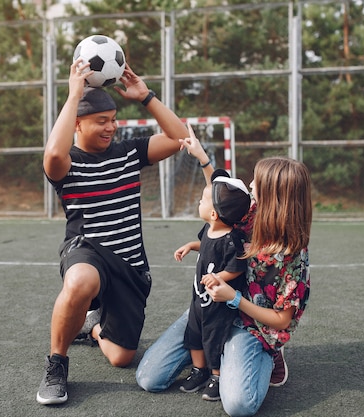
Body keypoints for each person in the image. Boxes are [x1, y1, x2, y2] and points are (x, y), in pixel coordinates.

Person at [37, 59, 189, 405]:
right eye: (102, 121)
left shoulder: (128, 153)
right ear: (77, 123)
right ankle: (56, 365)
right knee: (80, 282)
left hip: (130, 266)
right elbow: (53, 152)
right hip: (88, 250)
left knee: (122, 357)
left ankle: (91, 324)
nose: (112, 128)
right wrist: (74, 94)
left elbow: (182, 138)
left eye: (114, 120)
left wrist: (146, 96)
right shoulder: (67, 164)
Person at [136, 155, 312, 417]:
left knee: (239, 405)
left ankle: (266, 355)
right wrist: (203, 158)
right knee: (149, 378)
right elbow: (220, 198)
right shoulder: (248, 214)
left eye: (257, 183)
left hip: (251, 324)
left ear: (274, 198)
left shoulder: (292, 256)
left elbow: (282, 320)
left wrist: (234, 299)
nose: (250, 185)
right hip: (210, 309)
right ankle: (211, 354)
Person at [173, 129, 251, 401]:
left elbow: (237, 268)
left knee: (212, 338)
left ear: (215, 213)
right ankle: (199, 370)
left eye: (203, 200)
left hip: (218, 304)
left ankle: (217, 376)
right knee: (193, 334)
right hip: (198, 298)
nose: (199, 200)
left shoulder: (232, 239)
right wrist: (190, 246)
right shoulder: (208, 230)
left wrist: (220, 277)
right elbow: (203, 246)